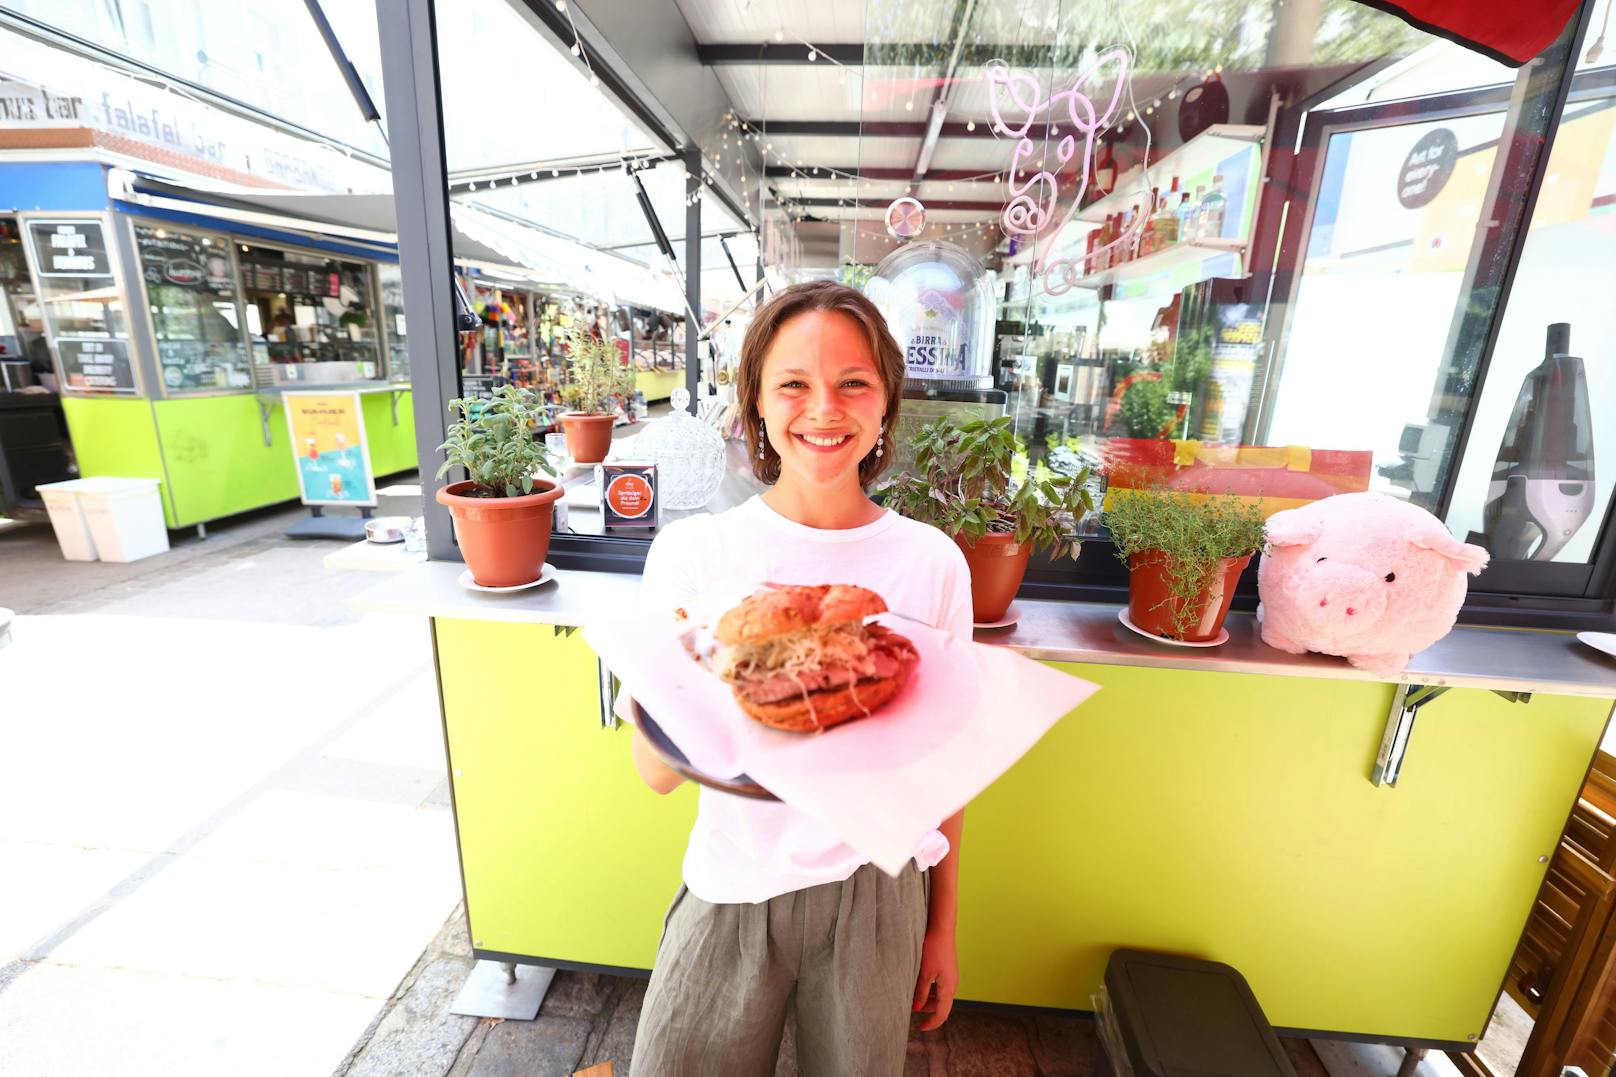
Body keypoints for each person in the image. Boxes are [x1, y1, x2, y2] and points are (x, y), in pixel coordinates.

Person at [623, 280, 973, 1076]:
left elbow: (947, 773)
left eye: (854, 382)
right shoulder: (696, 557)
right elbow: (654, 774)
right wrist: (699, 665)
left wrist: (944, 926)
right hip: (732, 879)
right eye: (793, 384)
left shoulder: (929, 563)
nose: (824, 409)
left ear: (886, 403)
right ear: (754, 404)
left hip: (879, 895)